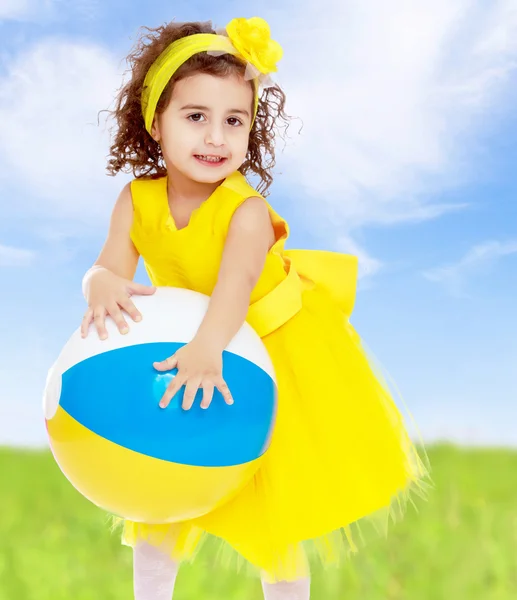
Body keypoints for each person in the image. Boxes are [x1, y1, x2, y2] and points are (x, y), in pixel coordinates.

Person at [81, 16, 431, 600]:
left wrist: (205, 348)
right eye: (196, 117)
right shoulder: (135, 200)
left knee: (277, 517)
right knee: (161, 498)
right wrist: (98, 283)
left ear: (250, 130)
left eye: (234, 121)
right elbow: (111, 264)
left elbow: (234, 290)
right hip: (202, 343)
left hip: (274, 344)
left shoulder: (244, 211)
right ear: (155, 123)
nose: (216, 138)